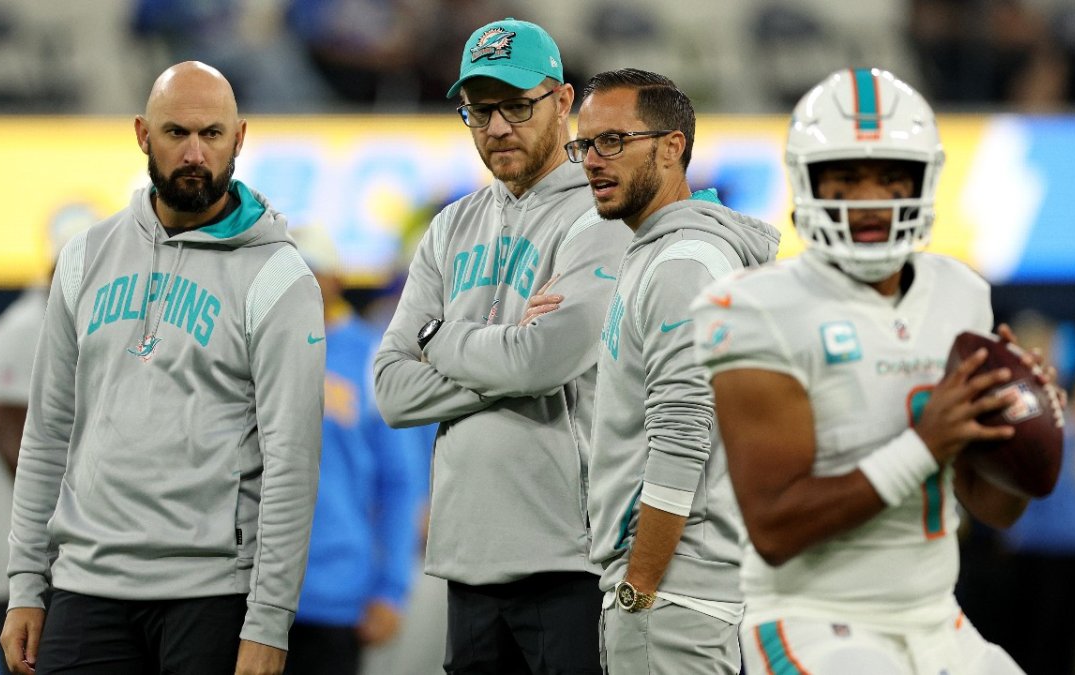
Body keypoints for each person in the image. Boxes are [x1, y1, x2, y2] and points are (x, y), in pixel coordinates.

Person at [691, 67, 1064, 674]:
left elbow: (993, 509)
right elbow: (775, 530)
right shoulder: (754, 307)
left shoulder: (960, 292)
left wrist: (1022, 429)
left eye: (891, 177)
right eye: (846, 177)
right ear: (808, 182)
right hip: (809, 618)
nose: (869, 199)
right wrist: (925, 444)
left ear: (923, 181)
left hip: (937, 618)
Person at [0, 61, 325, 675]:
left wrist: (270, 620)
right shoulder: (85, 258)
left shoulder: (279, 278)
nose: (196, 153)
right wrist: (25, 584)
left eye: (213, 134)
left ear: (241, 138)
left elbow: (292, 464)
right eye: (176, 133)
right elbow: (46, 433)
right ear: (142, 134)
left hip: (213, 596)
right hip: (85, 588)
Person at [373, 18, 632, 675]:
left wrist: (440, 339)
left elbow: (549, 356)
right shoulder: (449, 226)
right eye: (480, 110)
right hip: (467, 555)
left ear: (564, 102)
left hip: (569, 555)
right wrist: (512, 349)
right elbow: (390, 389)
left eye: (517, 105)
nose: (496, 127)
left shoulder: (601, 214)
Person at [571, 68, 779, 674]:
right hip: (688, 590)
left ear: (672, 146)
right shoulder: (669, 254)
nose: (591, 161)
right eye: (584, 145)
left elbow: (684, 433)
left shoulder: (683, 263)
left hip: (674, 595)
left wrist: (639, 586)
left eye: (613, 141)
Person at [0, 204, 97, 672]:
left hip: (52, 563)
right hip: (17, 563)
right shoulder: (20, 333)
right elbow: (16, 449)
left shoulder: (78, 327)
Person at [285, 226, 426, 675]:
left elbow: (401, 482)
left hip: (334, 592)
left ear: (334, 280)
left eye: (312, 271)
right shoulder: (248, 351)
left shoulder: (371, 356)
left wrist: (391, 589)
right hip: (245, 595)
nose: (301, 282)